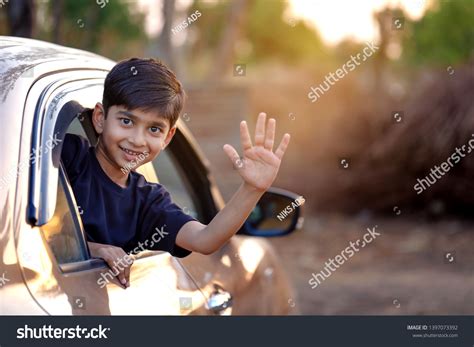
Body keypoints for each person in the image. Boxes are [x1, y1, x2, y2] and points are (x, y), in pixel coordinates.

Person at [61, 58, 290, 288]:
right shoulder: (67, 157)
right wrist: (94, 249)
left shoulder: (148, 201)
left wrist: (252, 189)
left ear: (167, 138)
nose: (137, 140)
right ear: (100, 118)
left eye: (154, 129)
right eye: (126, 121)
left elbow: (205, 239)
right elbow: (34, 236)